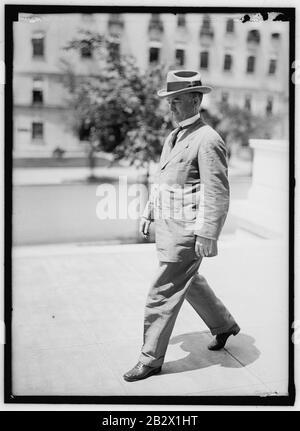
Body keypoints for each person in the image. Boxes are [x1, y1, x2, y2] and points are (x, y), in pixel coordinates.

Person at [123, 70, 240, 382]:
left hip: (187, 233)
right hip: (168, 227)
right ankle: (225, 325)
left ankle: (150, 359)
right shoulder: (173, 137)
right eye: (169, 101)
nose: (171, 107)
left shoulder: (208, 139)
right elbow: (164, 181)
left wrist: (207, 233)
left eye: (176, 100)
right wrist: (149, 212)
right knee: (190, 282)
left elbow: (217, 192)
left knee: (162, 292)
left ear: (196, 100)